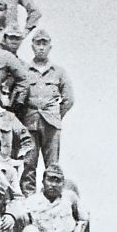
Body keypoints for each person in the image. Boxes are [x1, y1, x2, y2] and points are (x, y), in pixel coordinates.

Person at [20, 32, 74, 192]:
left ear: (50, 47)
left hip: (51, 125)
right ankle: (28, 196)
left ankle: (52, 196)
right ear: (32, 46)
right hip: (29, 123)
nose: (41, 48)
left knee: (52, 165)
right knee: (29, 162)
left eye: (44, 44)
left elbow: (69, 99)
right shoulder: (24, 69)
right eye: (38, 44)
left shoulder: (59, 72)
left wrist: (55, 116)